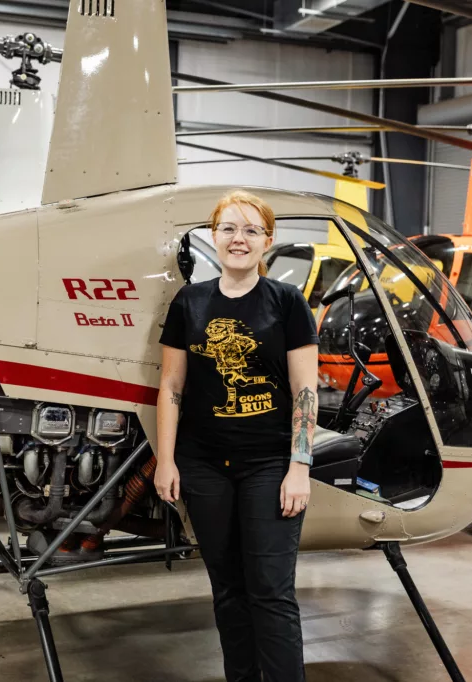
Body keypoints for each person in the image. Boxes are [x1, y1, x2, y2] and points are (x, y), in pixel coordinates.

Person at [155, 189, 319, 682]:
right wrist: (167, 461)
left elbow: (305, 390)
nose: (239, 239)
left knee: (270, 591)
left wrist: (299, 466)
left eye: (251, 230)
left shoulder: (288, 303)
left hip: (269, 466)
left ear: (268, 240)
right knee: (227, 589)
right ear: (213, 236)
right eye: (229, 228)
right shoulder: (190, 301)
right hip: (204, 466)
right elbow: (171, 386)